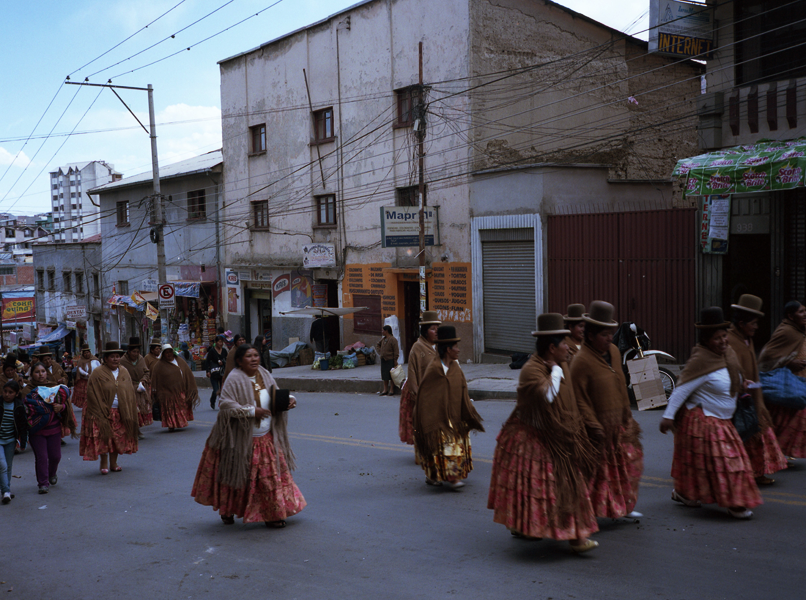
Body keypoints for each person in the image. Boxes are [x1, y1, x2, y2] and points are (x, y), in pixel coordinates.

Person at [488, 314, 599, 552]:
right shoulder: (531, 370)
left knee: (552, 487)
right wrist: (557, 371)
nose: (569, 348)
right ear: (551, 347)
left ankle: (550, 532)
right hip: (532, 439)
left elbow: (570, 398)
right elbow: (547, 396)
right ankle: (575, 538)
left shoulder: (561, 365)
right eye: (564, 344)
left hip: (556, 437)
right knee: (547, 487)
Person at [659, 307, 762, 519]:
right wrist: (668, 416)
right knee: (727, 463)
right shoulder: (700, 361)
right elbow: (681, 389)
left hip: (724, 420)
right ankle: (735, 504)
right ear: (706, 340)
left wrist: (743, 384)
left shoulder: (728, 355)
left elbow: (732, 377)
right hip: (704, 420)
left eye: (724, 336)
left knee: (703, 466)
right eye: (717, 338)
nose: (723, 341)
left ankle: (684, 494)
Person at [192, 343, 306, 527]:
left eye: (256, 355)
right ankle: (228, 509)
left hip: (266, 437)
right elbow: (226, 405)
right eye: (249, 356)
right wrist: (252, 412)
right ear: (239, 361)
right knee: (236, 477)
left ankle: (273, 515)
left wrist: (290, 400)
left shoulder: (265, 374)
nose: (254, 359)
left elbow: (276, 394)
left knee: (269, 479)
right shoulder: (234, 378)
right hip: (240, 440)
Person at [570, 300, 644, 519]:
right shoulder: (580, 361)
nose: (610, 339)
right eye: (604, 334)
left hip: (618, 426)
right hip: (596, 431)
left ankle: (623, 506)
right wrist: (593, 425)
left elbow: (619, 384)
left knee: (625, 467)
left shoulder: (612, 352)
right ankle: (584, 515)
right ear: (590, 336)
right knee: (595, 475)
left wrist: (627, 417)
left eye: (611, 333)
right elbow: (579, 399)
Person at [413, 325, 484, 489]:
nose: (458, 350)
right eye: (455, 347)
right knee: (440, 447)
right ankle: (441, 477)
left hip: (454, 417)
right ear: (447, 349)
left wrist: (466, 409)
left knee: (452, 446)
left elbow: (462, 390)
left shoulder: (455, 368)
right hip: (438, 418)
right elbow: (426, 395)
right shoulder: (435, 369)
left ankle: (451, 476)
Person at [726, 295, 787, 485]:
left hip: (752, 396)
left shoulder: (746, 340)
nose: (756, 327)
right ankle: (746, 474)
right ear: (742, 323)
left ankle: (757, 473)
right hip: (738, 398)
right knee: (746, 437)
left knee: (758, 435)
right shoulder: (730, 341)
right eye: (753, 323)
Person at [80, 342, 140, 474]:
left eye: (117, 356)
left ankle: (114, 463)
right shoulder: (97, 373)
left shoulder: (124, 372)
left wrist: (131, 409)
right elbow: (92, 392)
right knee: (104, 437)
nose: (115, 359)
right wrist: (100, 410)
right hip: (103, 411)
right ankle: (104, 462)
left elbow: (129, 391)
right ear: (105, 358)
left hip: (120, 412)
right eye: (112, 356)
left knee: (117, 438)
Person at [757, 301, 806, 458]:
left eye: (805, 311)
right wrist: (789, 362)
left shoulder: (798, 331)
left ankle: (780, 453)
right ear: (790, 316)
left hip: (797, 383)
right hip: (786, 385)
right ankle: (775, 454)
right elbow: (767, 356)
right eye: (801, 312)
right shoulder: (787, 331)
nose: (805, 314)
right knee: (783, 421)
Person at [24, 362, 76, 493]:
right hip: (37, 430)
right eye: (37, 372)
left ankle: (52, 473)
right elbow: (24, 409)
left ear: (47, 373)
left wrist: (61, 407)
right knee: (41, 457)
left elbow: (65, 405)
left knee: (55, 456)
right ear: (32, 374)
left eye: (43, 371)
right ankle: (43, 483)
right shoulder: (27, 390)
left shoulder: (54, 387)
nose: (40, 374)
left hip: (54, 428)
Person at [399, 311, 441, 446]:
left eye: (437, 329)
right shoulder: (417, 348)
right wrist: (417, 396)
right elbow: (412, 374)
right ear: (425, 331)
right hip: (420, 393)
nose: (436, 332)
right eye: (432, 329)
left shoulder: (438, 346)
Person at [150, 343, 200, 431]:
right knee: (170, 410)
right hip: (167, 393)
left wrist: (190, 387)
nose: (169, 354)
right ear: (163, 354)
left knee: (181, 407)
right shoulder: (159, 365)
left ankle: (181, 422)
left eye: (170, 352)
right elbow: (155, 378)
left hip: (180, 390)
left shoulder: (180, 361)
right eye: (166, 352)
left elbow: (187, 373)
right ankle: (171, 424)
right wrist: (155, 391)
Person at [1, 381, 28, 504]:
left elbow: (23, 425)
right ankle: (5, 491)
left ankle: (7, 489)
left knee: (9, 465)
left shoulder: (19, 406)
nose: (7, 394)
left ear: (16, 394)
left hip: (11, 440)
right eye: (5, 391)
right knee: (2, 465)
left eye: (10, 392)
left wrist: (23, 442)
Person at [119, 337, 153, 434]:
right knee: (133, 409)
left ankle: (137, 428)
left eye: (137, 352)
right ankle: (134, 429)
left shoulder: (141, 359)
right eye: (134, 352)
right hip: (129, 388)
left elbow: (146, 372)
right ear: (129, 352)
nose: (136, 354)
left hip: (141, 387)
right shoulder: (122, 361)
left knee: (141, 409)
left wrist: (143, 380)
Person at [205, 335, 228, 410]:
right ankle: (212, 400)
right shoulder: (212, 351)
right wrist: (208, 371)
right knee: (216, 390)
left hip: (222, 373)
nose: (220, 343)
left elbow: (227, 360)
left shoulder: (224, 351)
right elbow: (207, 361)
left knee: (222, 390)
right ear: (216, 342)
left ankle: (222, 403)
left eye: (221, 342)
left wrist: (223, 362)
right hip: (214, 372)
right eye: (219, 342)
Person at [375, 325, 400, 396]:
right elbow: (378, 345)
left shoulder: (393, 340)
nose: (382, 332)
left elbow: (396, 350)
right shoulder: (383, 339)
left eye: (383, 330)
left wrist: (395, 359)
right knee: (384, 375)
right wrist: (381, 351)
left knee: (392, 375)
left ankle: (391, 389)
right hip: (384, 359)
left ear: (387, 331)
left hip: (390, 360)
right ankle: (385, 389)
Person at [72, 345, 99, 410]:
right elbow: (80, 369)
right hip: (85, 380)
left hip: (95, 379)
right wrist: (86, 374)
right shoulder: (81, 361)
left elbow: (99, 367)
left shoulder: (95, 360)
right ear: (83, 354)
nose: (87, 354)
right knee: (86, 394)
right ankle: (86, 406)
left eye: (88, 352)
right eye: (85, 353)